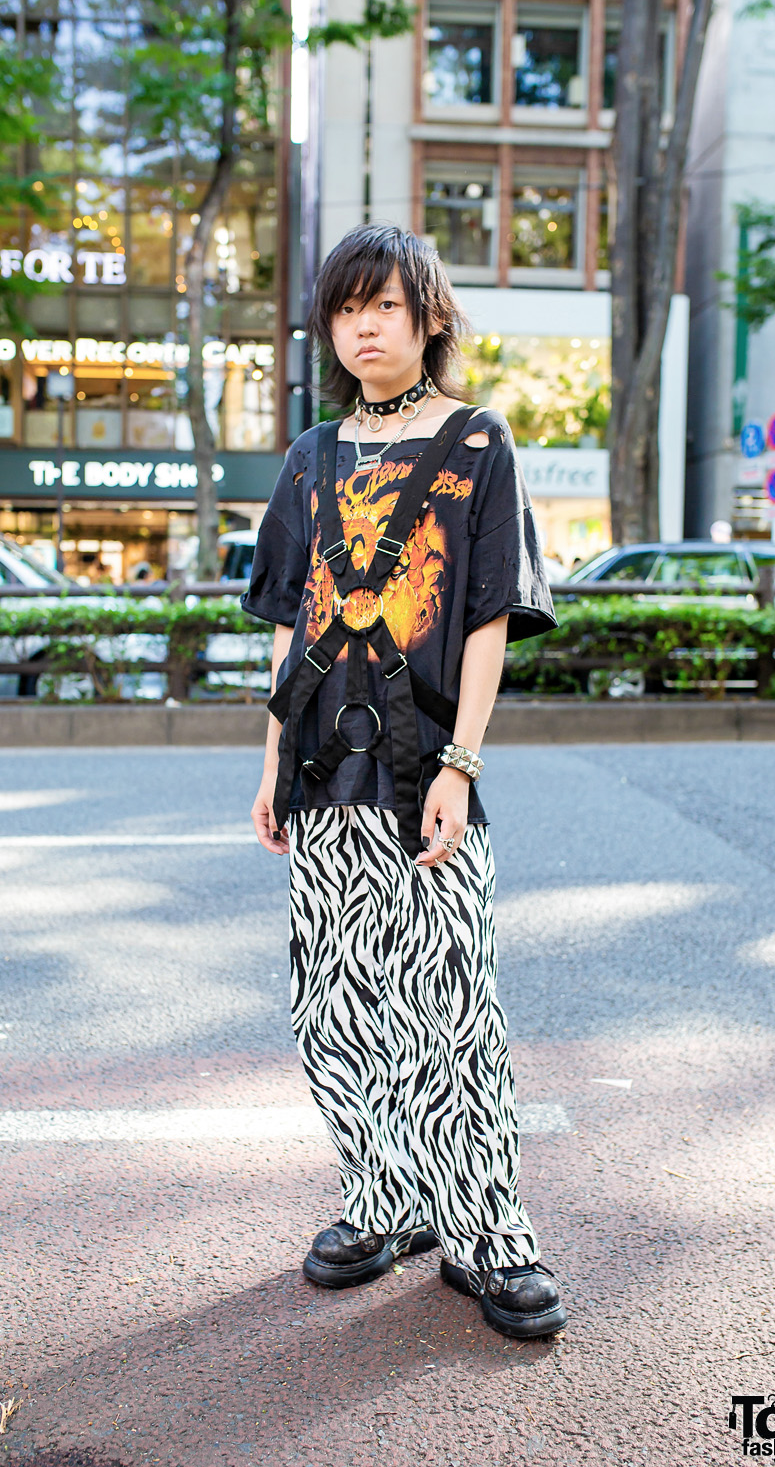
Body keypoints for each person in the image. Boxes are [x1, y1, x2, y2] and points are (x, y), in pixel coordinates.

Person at [242, 223, 567, 1340]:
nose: (364, 326)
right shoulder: (311, 455)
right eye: (346, 309)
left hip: (425, 768)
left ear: (428, 319)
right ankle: (382, 1201)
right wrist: (271, 763)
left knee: (450, 1005)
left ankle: (488, 1234)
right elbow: (293, 622)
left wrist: (463, 763)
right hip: (323, 769)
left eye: (385, 306)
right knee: (333, 1004)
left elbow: (487, 615)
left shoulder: (478, 443)